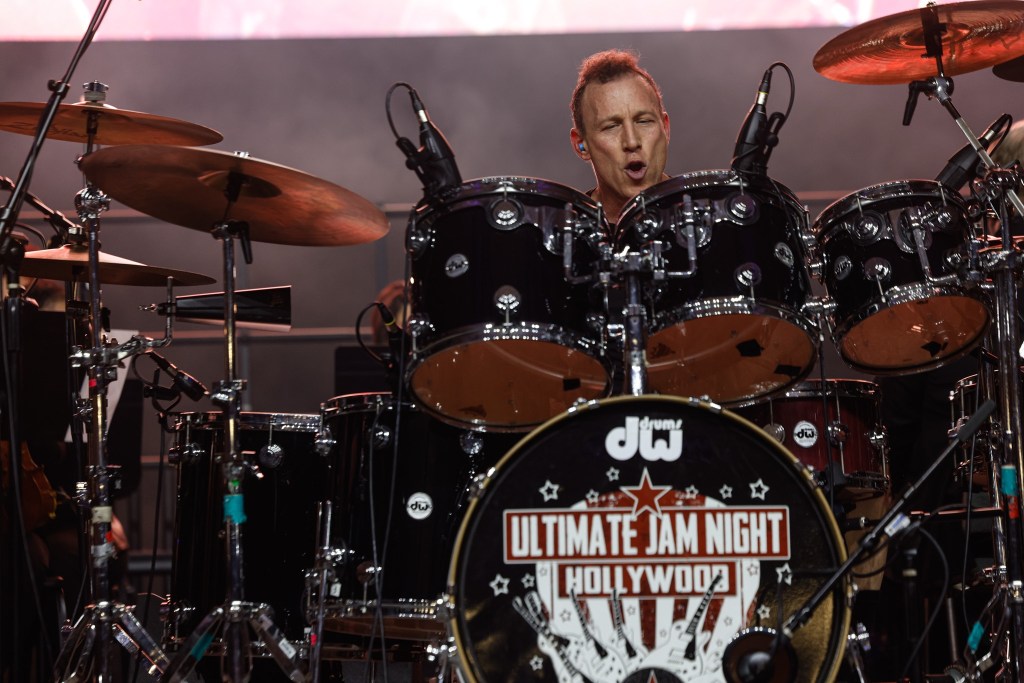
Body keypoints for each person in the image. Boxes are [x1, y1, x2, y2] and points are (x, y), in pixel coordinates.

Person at [569, 49, 671, 225]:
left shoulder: (710, 223)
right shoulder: (566, 234)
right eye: (611, 127)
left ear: (665, 128)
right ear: (581, 145)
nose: (632, 142)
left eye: (644, 122)